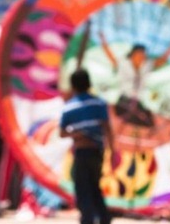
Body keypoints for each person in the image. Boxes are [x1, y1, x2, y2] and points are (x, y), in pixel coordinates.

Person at [60, 69, 114, 224]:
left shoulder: (70, 107)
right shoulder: (99, 103)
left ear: (73, 85)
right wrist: (112, 149)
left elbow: (62, 133)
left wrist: (76, 135)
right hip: (97, 151)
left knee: (83, 188)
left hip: (82, 152)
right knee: (94, 186)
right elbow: (107, 127)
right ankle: (104, 218)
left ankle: (88, 219)